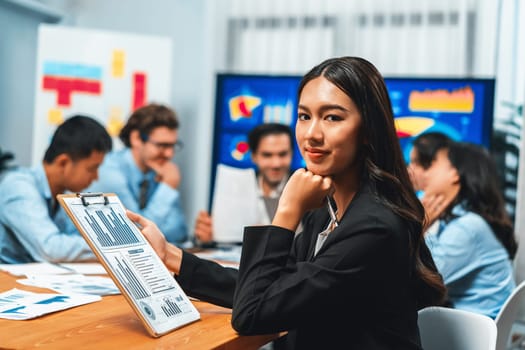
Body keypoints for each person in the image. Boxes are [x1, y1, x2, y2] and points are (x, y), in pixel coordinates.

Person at [127, 56, 446, 349]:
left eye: (332, 118)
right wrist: (171, 256)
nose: (312, 134)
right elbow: (273, 289)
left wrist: (287, 212)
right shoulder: (329, 208)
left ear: (367, 130)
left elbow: (253, 313)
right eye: (304, 116)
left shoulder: (374, 225)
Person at [421, 141, 517, 319]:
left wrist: (417, 227)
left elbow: (420, 286)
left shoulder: (466, 228)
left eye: (432, 164)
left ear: (455, 174)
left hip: (472, 335)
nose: (425, 175)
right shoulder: (466, 221)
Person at [0, 115, 112, 263]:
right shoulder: (19, 186)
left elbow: (75, 237)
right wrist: (109, 247)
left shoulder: (60, 194)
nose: (96, 177)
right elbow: (50, 249)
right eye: (92, 168)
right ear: (63, 162)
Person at [88, 103, 188, 245]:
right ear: (136, 138)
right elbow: (137, 234)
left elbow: (179, 233)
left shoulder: (159, 171)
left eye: (172, 146)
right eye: (162, 146)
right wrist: (168, 187)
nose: (169, 154)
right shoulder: (109, 171)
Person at [194, 122, 294, 244]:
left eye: (282, 154)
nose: (276, 163)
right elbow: (215, 239)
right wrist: (206, 238)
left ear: (292, 154)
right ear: (253, 156)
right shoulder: (234, 188)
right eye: (267, 155)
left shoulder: (305, 190)